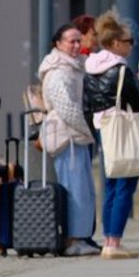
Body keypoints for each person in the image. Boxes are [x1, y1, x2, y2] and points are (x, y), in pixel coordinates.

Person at [82, 9, 139, 258]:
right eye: (128, 41)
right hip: (122, 129)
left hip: (103, 128)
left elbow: (88, 103)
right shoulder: (121, 70)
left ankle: (108, 240)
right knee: (125, 183)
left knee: (110, 183)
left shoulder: (91, 68)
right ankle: (114, 241)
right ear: (114, 43)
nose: (131, 45)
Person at [38, 24, 98, 256]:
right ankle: (73, 240)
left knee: (84, 189)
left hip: (76, 136)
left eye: (78, 40)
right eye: (71, 41)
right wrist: (87, 130)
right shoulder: (57, 71)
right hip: (66, 137)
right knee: (75, 190)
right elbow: (67, 109)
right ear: (58, 43)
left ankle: (81, 237)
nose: (76, 45)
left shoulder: (75, 66)